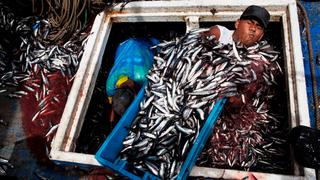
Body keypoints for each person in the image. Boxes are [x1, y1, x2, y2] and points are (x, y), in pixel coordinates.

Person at [203, 5, 270, 111]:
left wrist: (234, 99)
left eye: (258, 27)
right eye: (249, 22)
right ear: (237, 23)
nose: (253, 29)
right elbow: (196, 48)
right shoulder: (219, 34)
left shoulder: (258, 61)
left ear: (261, 36)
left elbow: (241, 101)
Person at [106, 38, 159, 123]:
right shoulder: (110, 87)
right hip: (122, 46)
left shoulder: (142, 76)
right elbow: (113, 104)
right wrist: (111, 121)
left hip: (141, 46)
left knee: (150, 46)